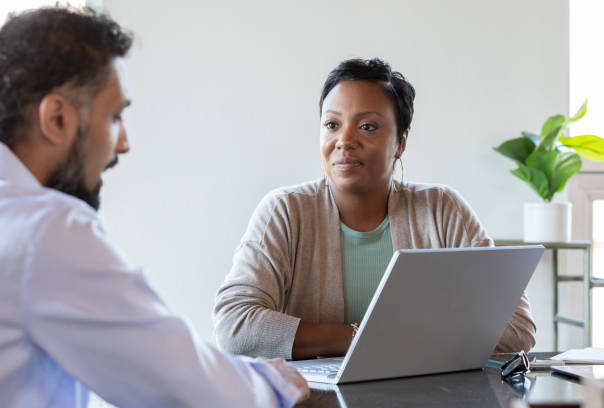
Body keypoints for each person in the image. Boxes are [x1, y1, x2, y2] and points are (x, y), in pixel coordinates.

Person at [0, 6, 308, 408]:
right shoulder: (44, 228)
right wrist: (274, 382)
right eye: (113, 117)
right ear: (56, 118)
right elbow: (190, 389)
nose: (123, 142)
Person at [213, 58, 536, 361]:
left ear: (401, 142)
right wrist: (362, 338)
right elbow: (235, 327)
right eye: (332, 124)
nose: (344, 140)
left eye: (367, 126)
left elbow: (517, 329)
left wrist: (395, 341)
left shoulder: (441, 209)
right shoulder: (285, 211)